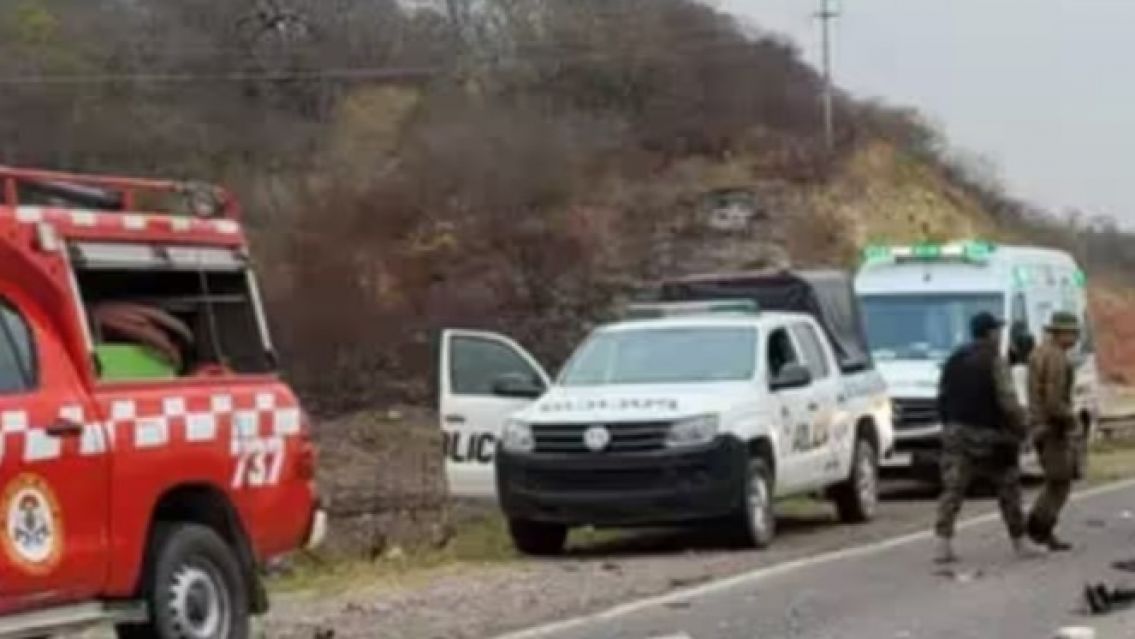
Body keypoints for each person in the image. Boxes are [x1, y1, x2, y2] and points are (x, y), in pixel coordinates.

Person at [933, 312, 1035, 563]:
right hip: (991, 434)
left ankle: (942, 543)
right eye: (997, 330)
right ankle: (1020, 541)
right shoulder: (994, 360)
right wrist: (1023, 428)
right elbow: (1007, 401)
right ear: (991, 333)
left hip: (956, 432)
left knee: (953, 488)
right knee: (1008, 487)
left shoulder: (954, 359)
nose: (1000, 334)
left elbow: (942, 396)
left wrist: (948, 425)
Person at [1026, 311, 1081, 551]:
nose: (1077, 338)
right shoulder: (1057, 358)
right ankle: (1039, 528)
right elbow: (1054, 399)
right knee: (1060, 481)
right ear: (1061, 333)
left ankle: (1038, 527)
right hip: (1052, 426)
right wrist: (1071, 420)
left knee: (1056, 479)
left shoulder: (1038, 353)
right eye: (1073, 332)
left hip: (1039, 424)